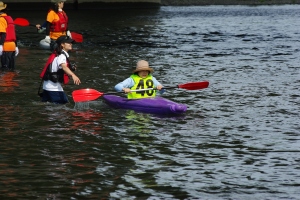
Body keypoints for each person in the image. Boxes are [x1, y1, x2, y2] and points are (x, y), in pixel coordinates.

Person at [41, 35, 80, 104]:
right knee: (62, 107)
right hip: (53, 88)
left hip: (47, 86)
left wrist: (71, 69)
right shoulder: (62, 56)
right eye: (68, 43)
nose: (71, 44)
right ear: (62, 44)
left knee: (48, 107)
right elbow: (64, 67)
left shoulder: (57, 54)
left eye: (71, 43)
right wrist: (73, 75)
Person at [0, 1, 19, 71]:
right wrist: (16, 46)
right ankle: (12, 81)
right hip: (12, 46)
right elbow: (14, 33)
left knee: (5, 69)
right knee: (11, 69)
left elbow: (3, 34)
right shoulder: (9, 18)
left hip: (5, 46)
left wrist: (0, 45)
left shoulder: (1, 19)